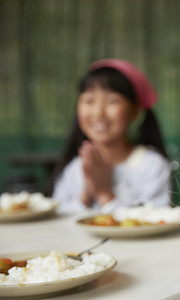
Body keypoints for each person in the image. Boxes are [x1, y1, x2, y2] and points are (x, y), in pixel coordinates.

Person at [52, 59, 171, 213]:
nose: (98, 112)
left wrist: (104, 194)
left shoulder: (151, 166)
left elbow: (157, 221)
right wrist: (86, 195)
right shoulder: (74, 168)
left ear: (134, 111)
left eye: (112, 101)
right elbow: (56, 223)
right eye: (89, 101)